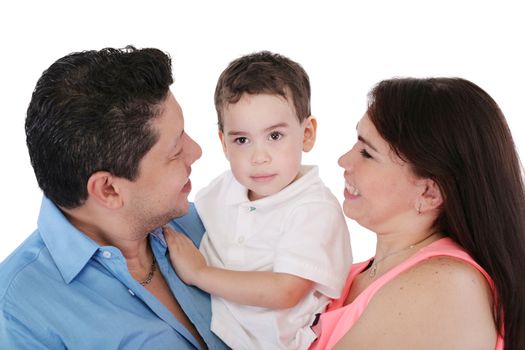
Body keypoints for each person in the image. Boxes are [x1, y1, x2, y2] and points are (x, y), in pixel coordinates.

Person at [0, 46, 228, 349]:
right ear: (108, 189)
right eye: (175, 151)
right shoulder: (17, 313)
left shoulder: (210, 223)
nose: (196, 151)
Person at [310, 78, 525, 349]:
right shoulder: (348, 275)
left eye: (367, 153)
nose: (344, 161)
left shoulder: (445, 288)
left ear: (429, 193)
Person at [165, 51, 352, 350]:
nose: (259, 157)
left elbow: (285, 291)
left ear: (307, 134)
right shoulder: (224, 188)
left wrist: (200, 273)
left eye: (275, 136)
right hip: (215, 329)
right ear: (223, 143)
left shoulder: (313, 209)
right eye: (242, 140)